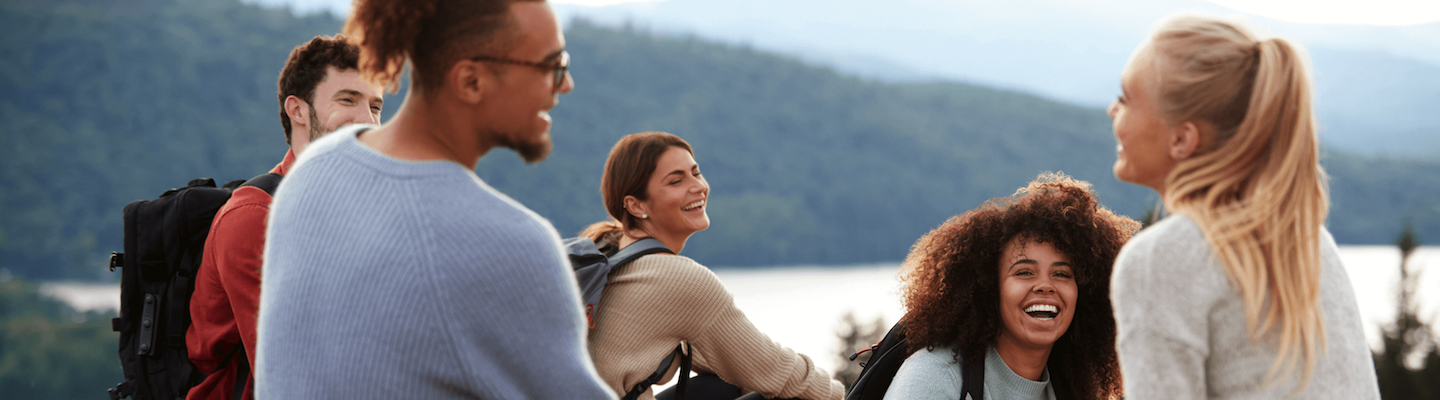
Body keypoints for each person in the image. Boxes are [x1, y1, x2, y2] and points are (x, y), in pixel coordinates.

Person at [254, 0, 612, 398]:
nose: (565, 84)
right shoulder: (510, 243)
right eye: (552, 65)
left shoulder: (312, 172)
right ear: (471, 82)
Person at [1106, 15, 1380, 398]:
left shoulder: (1161, 260)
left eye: (1125, 98)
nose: (1111, 111)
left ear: (1182, 139)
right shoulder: (1311, 245)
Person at [186, 34, 382, 400]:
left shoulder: (358, 216)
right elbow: (289, 374)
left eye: (375, 106)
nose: (367, 120)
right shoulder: (256, 217)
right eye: (347, 100)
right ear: (298, 110)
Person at [579, 131, 845, 400]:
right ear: (636, 206)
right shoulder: (677, 278)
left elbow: (730, 359)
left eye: (696, 172)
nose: (698, 187)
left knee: (721, 386)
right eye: (676, 181)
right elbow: (775, 369)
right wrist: (851, 395)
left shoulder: (607, 248)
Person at [884, 173, 1138, 400]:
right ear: (989, 288)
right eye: (1024, 272)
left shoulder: (1075, 388)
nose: (1045, 286)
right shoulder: (935, 379)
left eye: (1061, 274)